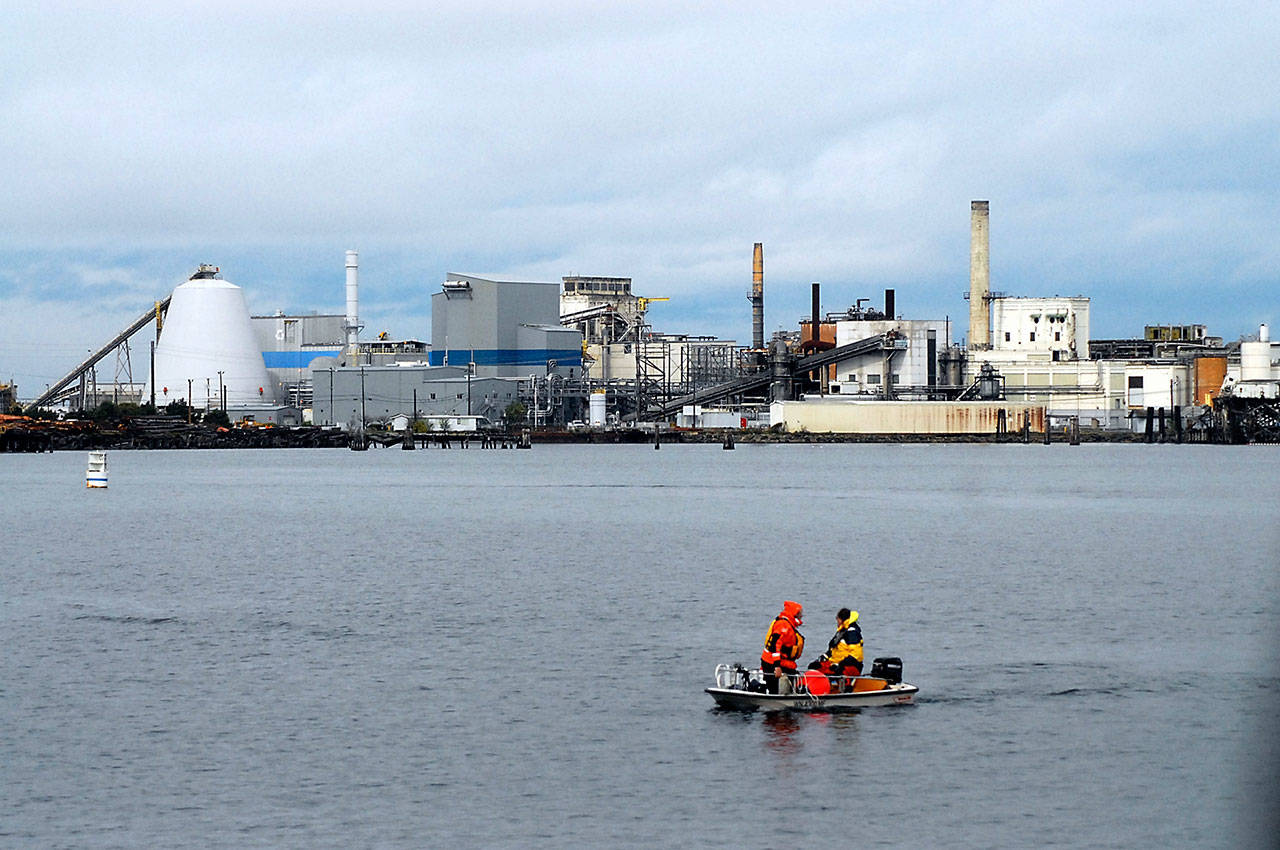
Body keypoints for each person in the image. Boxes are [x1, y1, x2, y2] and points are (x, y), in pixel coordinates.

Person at [811, 608, 863, 692]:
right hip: (836, 663)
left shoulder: (852, 633)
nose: (837, 622)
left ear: (842, 619)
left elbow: (856, 655)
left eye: (837, 619)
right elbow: (833, 650)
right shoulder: (842, 631)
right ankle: (814, 689)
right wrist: (824, 657)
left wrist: (840, 664)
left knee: (837, 672)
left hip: (851, 666)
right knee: (815, 667)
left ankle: (844, 690)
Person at [761, 601, 805, 694]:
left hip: (781, 662)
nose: (801, 615)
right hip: (772, 663)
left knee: (795, 680)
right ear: (794, 613)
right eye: (800, 613)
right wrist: (777, 666)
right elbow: (775, 645)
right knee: (775, 689)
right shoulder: (783, 625)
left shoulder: (789, 624)